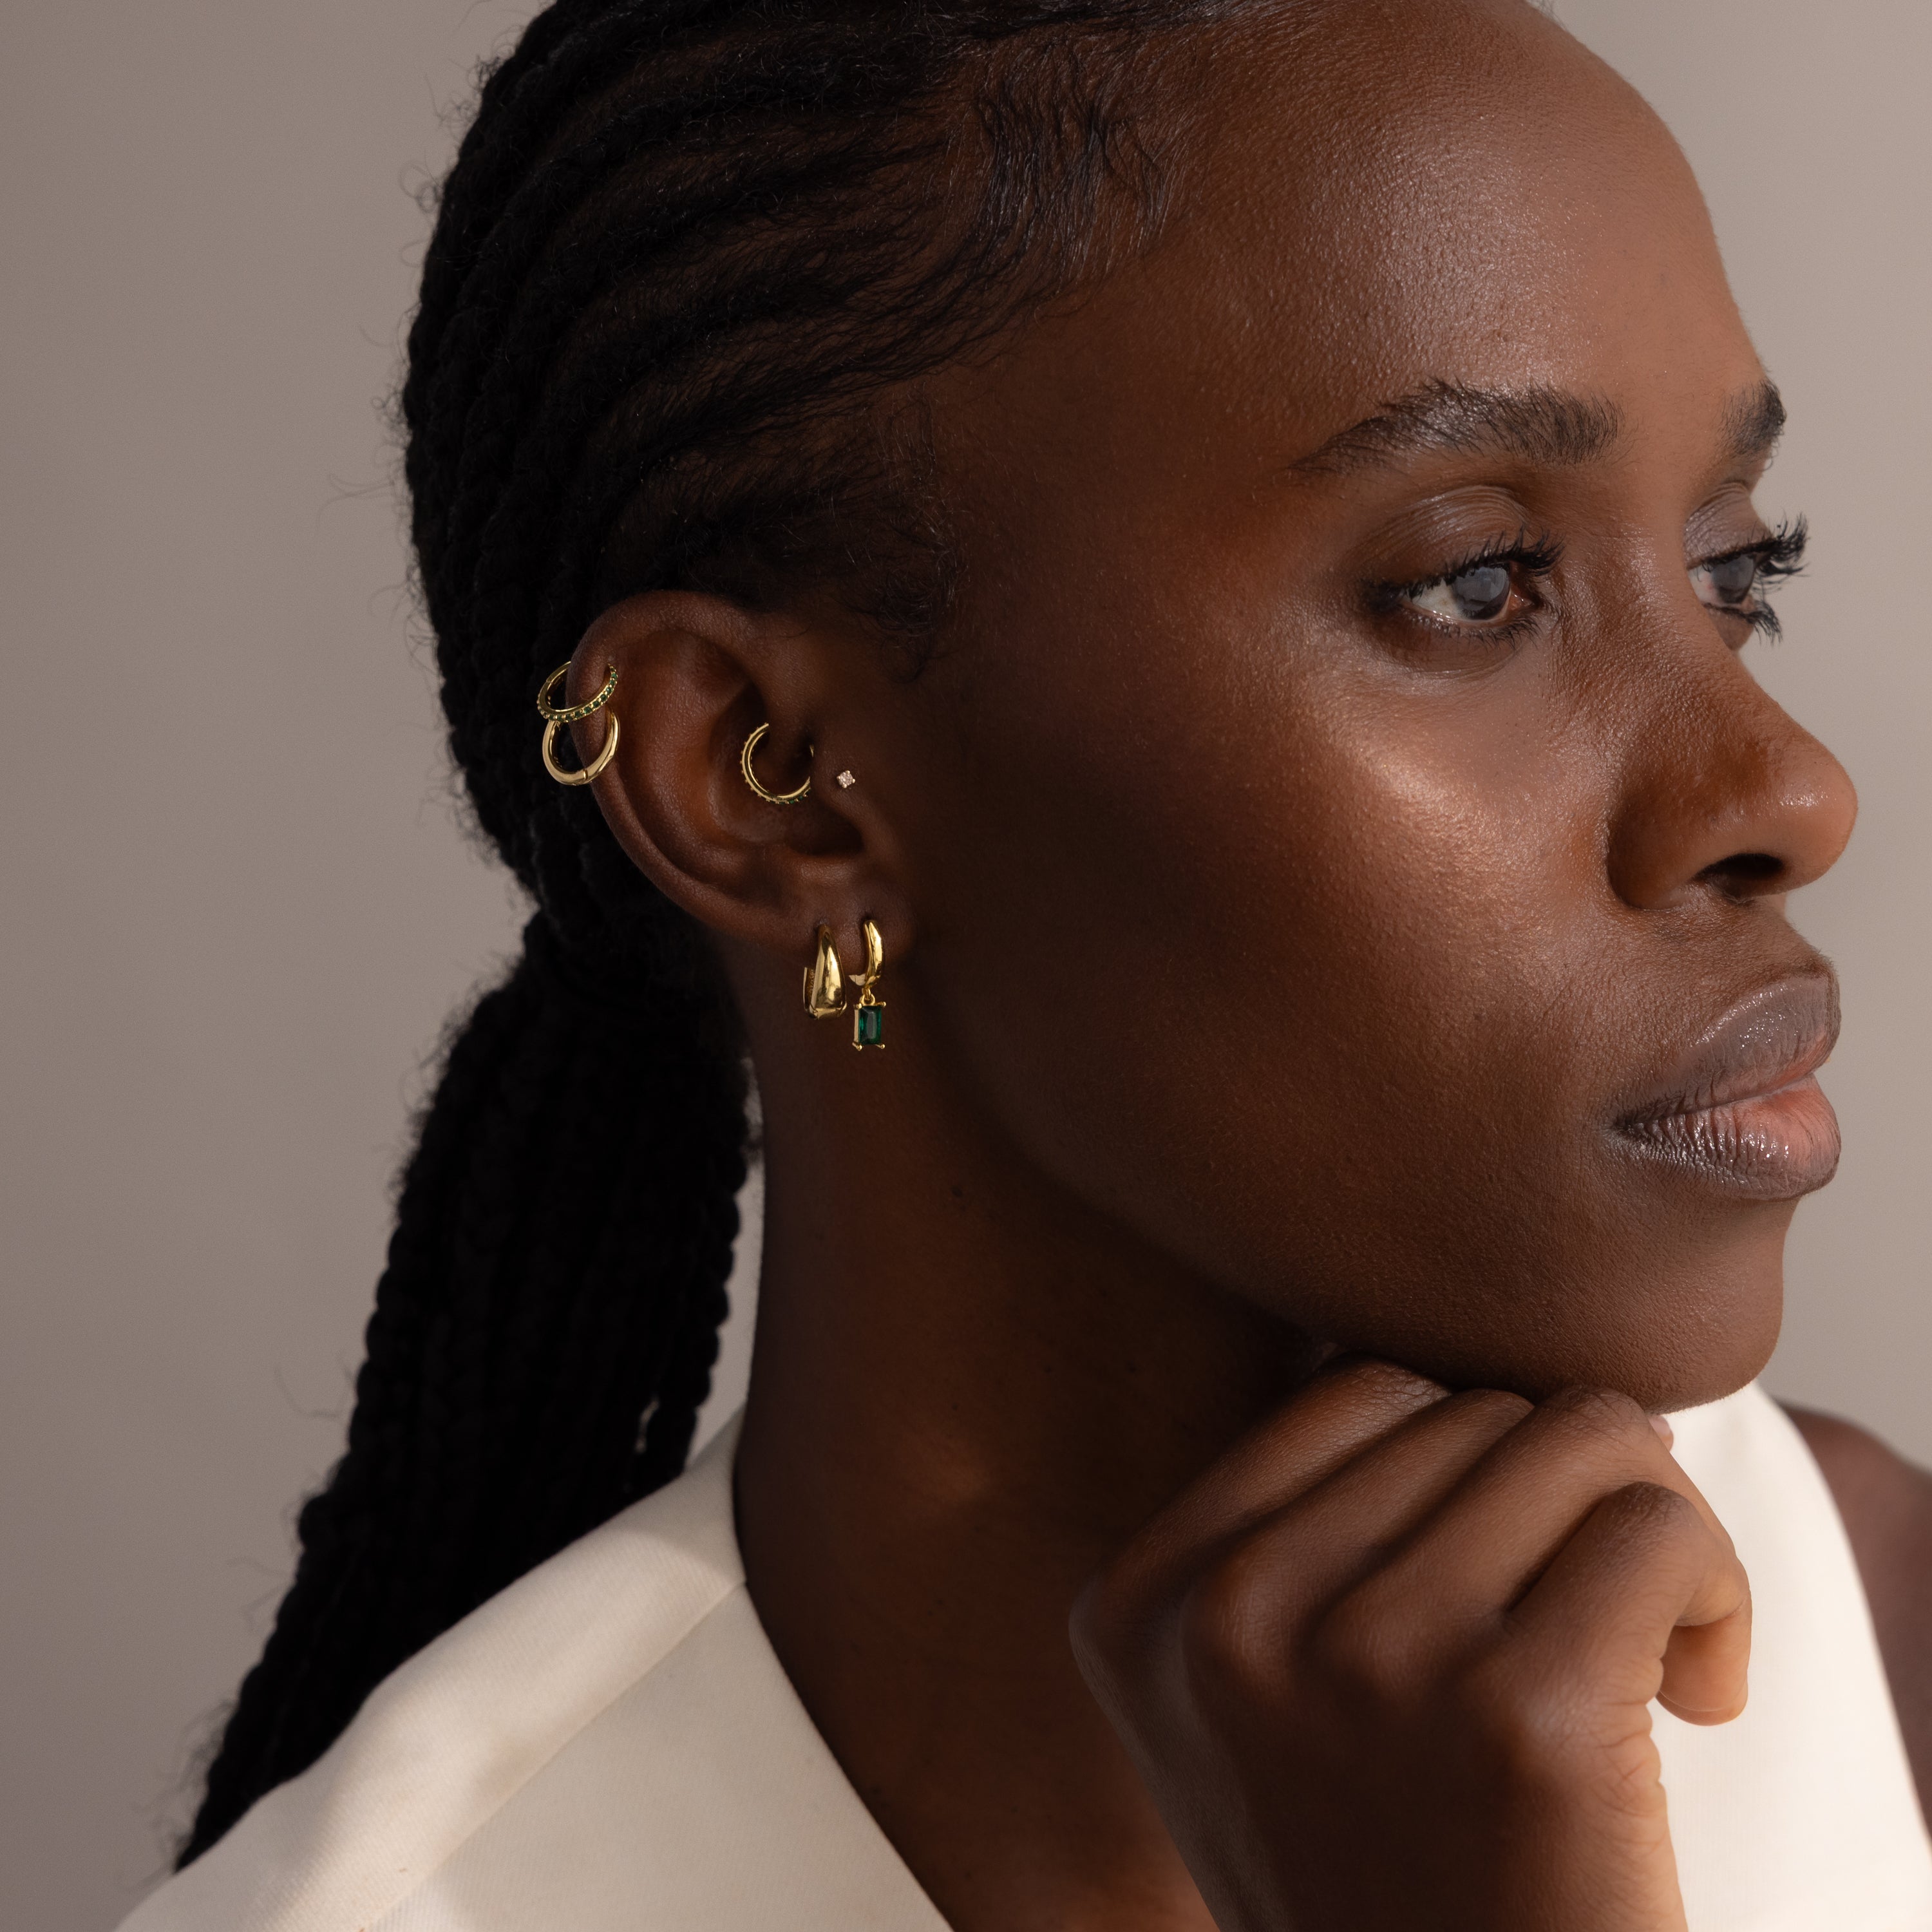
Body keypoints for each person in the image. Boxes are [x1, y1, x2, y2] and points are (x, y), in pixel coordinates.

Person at [121, 1, 1932, 1927]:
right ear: (770, 779)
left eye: (1736, 569)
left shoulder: (1877, 1644)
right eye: (1476, 585)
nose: (1789, 790)